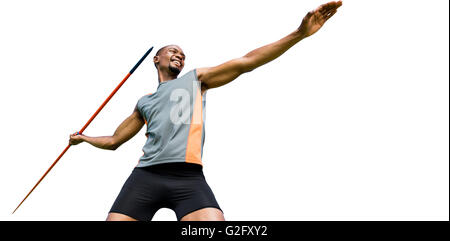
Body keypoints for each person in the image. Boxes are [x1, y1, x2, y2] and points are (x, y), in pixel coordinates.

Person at [69, 1, 342, 221]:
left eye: (183, 54)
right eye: (173, 51)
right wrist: (84, 138)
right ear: (156, 59)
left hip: (188, 178)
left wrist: (299, 34)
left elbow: (247, 61)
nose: (179, 55)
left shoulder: (195, 80)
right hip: (145, 177)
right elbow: (115, 141)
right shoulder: (144, 102)